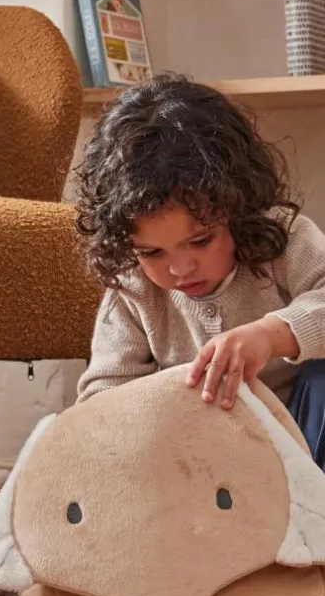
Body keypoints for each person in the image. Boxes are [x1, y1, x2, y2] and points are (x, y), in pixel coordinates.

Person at [73, 74, 325, 462]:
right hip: (196, 463)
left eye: (201, 241)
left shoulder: (282, 237)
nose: (180, 268)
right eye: (152, 252)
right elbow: (102, 394)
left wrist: (269, 335)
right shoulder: (133, 286)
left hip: (302, 448)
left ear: (239, 208)